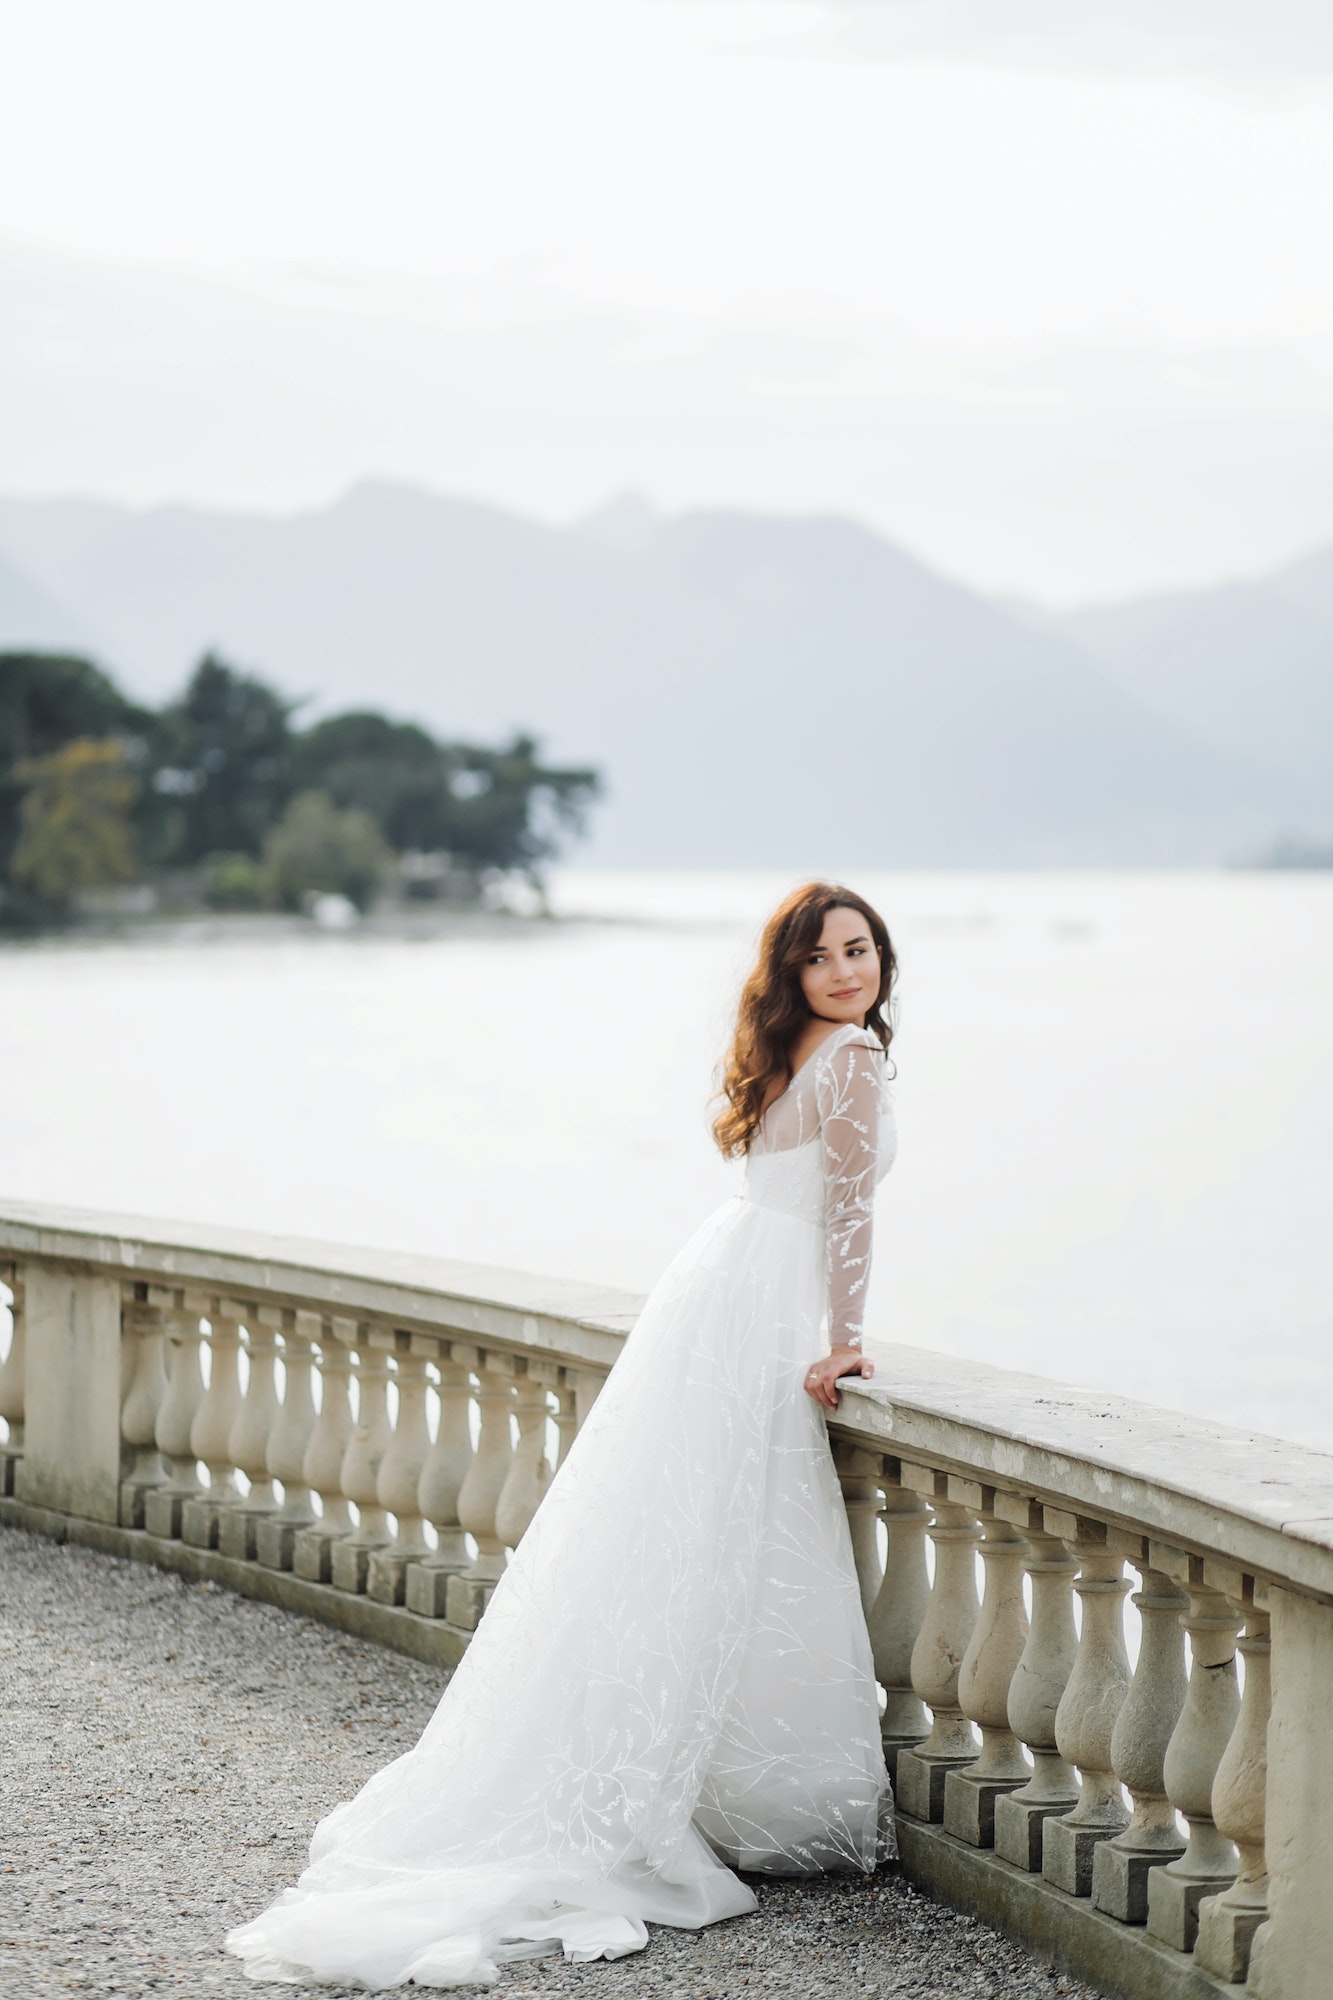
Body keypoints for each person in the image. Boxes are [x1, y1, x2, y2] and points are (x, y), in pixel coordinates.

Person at [227, 879, 899, 1990]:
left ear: (882, 957)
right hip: (764, 1303)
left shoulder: (792, 1053)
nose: (844, 971)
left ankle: (689, 1772)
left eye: (859, 950)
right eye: (821, 957)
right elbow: (851, 1213)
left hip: (717, 1290)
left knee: (684, 1542)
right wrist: (848, 1338)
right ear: (791, 975)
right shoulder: (856, 1058)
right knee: (735, 1538)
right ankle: (724, 1787)